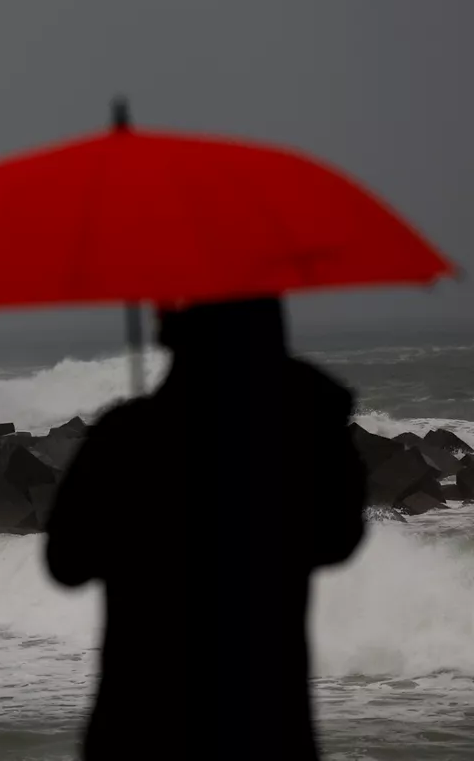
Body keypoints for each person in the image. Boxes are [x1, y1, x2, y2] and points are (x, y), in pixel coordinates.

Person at [45, 297, 368, 760]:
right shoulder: (295, 441)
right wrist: (319, 409)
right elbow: (338, 541)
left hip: (140, 724)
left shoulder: (128, 436)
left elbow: (67, 564)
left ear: (167, 331)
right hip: (265, 725)